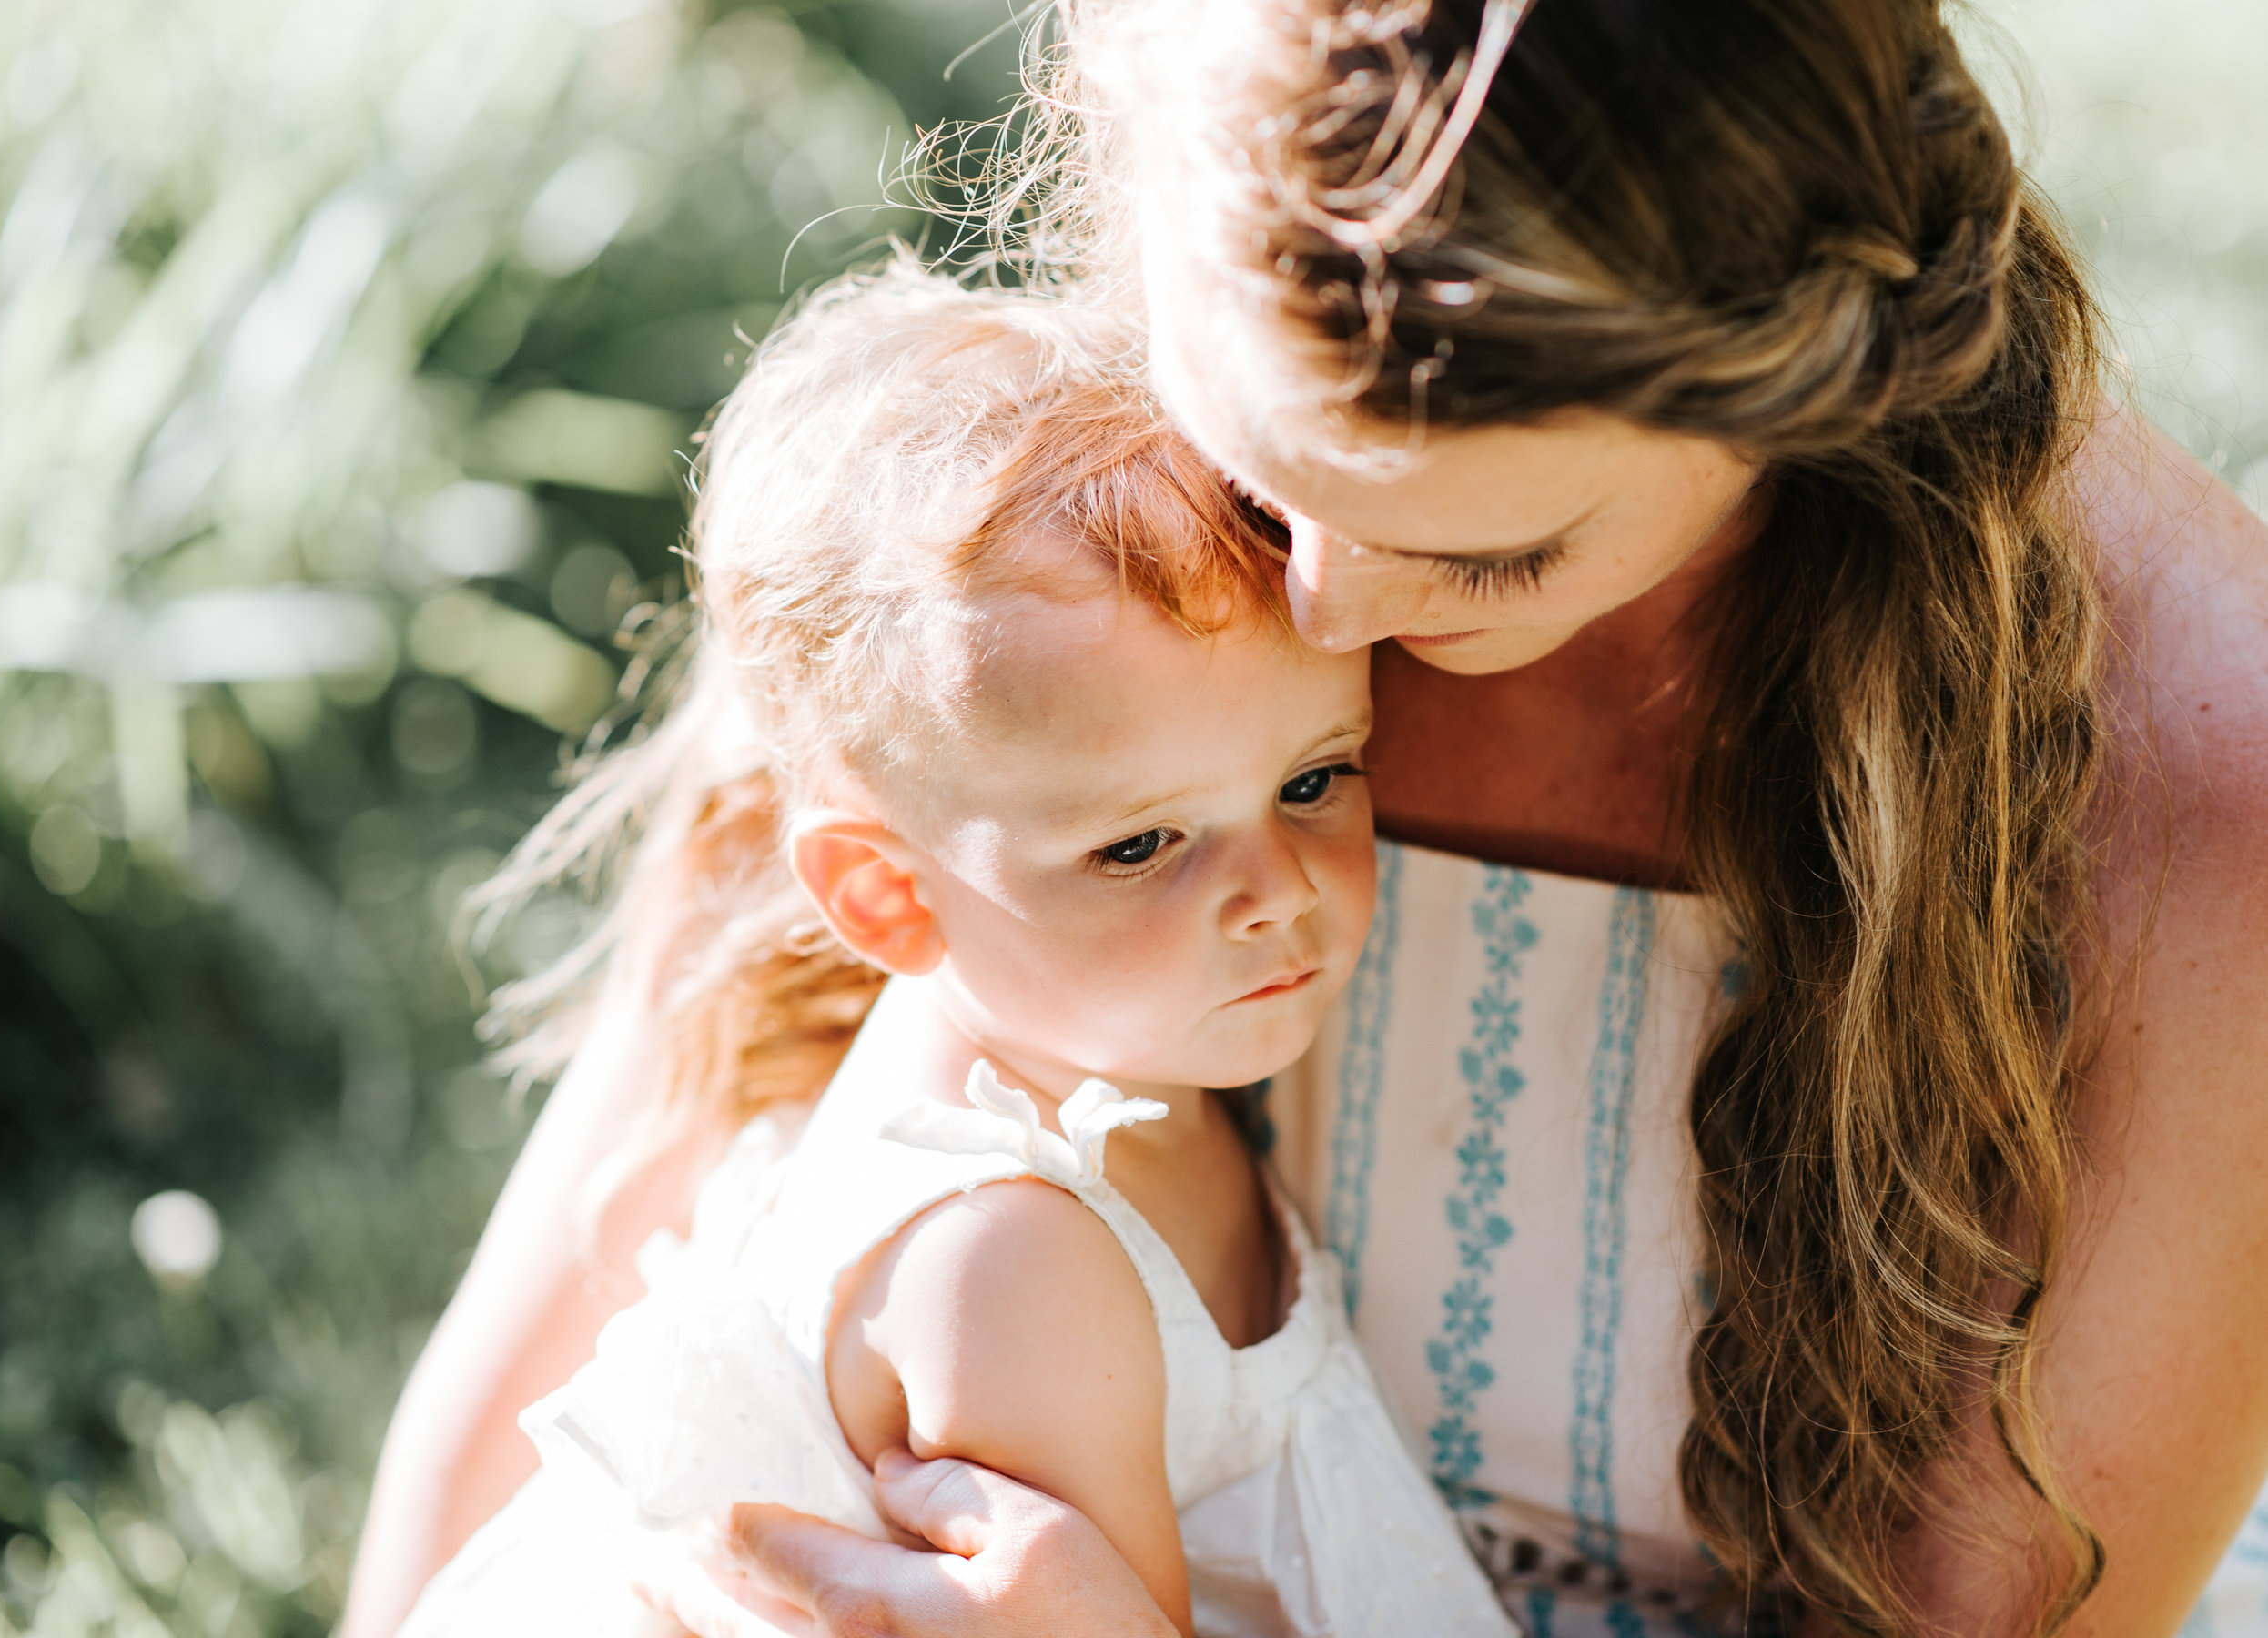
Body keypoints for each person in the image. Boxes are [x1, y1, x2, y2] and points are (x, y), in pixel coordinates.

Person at [345, 0, 2268, 1633]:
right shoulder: (1029, 553)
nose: (1328, 616)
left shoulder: (2194, 781)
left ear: (1800, 387)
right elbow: (563, 1369)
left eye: (1493, 552)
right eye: (1264, 480)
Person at [385, 262, 1518, 1638]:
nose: (1277, 891)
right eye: (1140, 847)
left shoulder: (1094, 1060)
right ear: (884, 897)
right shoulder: (1010, 1261)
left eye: (1313, 779)